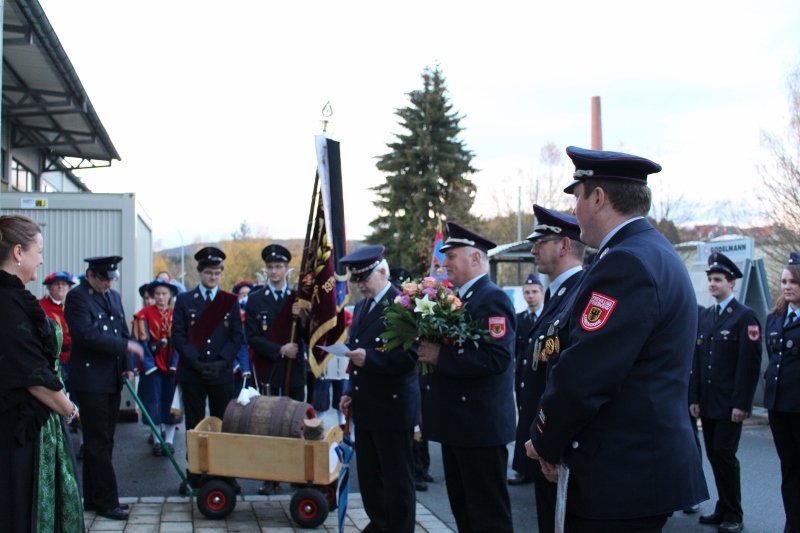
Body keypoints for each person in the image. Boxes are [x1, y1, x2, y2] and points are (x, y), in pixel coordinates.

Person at [526, 146, 708, 532]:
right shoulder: (655, 251)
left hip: (621, 473)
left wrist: (544, 439)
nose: (574, 211)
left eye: (577, 197)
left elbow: (585, 374)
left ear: (597, 197)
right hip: (637, 469)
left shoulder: (625, 262)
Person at [417, 222, 516, 533]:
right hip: (459, 424)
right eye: (445, 257)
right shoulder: (461, 298)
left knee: (487, 515)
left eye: (452, 256)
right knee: (464, 510)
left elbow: (497, 358)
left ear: (476, 259)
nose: (445, 263)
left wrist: (440, 356)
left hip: (479, 427)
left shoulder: (491, 298)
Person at [0, 214, 83, 532]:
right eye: (39, 250)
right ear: (18, 253)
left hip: (30, 423)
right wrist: (70, 410)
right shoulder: (7, 304)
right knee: (20, 511)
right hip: (19, 427)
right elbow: (33, 375)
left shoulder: (15, 298)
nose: (42, 259)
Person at [511, 205, 585, 531]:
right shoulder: (558, 295)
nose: (533, 249)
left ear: (565, 246)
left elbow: (574, 380)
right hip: (542, 444)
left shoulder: (581, 294)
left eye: (541, 241)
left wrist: (552, 446)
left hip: (558, 448)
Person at [339, 246, 420, 533]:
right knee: (371, 478)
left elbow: (411, 357)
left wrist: (369, 358)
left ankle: (399, 528)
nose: (360, 285)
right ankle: (380, 524)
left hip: (393, 407)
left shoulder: (403, 304)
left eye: (365, 278)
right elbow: (355, 355)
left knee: (397, 480)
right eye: (356, 280)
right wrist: (349, 391)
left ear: (383, 272)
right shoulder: (362, 305)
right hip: (366, 404)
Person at [64, 254, 144, 521]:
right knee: (98, 442)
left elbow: (123, 332)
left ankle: (93, 498)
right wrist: (123, 348)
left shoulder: (113, 296)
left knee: (104, 440)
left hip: (111, 378)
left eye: (112, 279)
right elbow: (86, 335)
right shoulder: (78, 297)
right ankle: (108, 502)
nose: (109, 284)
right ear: (91, 276)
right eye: (104, 279)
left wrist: (127, 364)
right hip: (91, 380)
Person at [690, 252, 762, 533]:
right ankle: (722, 507)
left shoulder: (745, 317)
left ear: (731, 283)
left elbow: (749, 365)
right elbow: (697, 361)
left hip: (730, 403)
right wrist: (694, 398)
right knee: (714, 455)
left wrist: (742, 404)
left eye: (718, 279)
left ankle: (734, 512)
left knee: (725, 455)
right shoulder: (706, 316)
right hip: (707, 402)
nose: (712, 284)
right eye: (709, 279)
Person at [172, 246, 242, 493]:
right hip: (193, 372)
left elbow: (236, 336)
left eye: (217, 273)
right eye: (209, 272)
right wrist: (196, 362)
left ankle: (225, 474)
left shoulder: (229, 302)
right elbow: (178, 336)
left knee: (223, 423)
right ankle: (195, 473)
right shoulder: (184, 300)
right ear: (200, 272)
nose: (213, 277)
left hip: (221, 372)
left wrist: (223, 362)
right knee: (195, 424)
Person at [246, 245, 308, 495]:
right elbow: (252, 337)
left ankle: (296, 472)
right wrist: (281, 349)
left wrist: (303, 317)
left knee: (295, 421)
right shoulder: (255, 299)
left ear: (286, 269)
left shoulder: (298, 299)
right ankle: (271, 476)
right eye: (270, 267)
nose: (274, 271)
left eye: (279, 267)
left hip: (295, 371)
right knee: (270, 422)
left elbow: (309, 335)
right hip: (269, 368)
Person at [764, 253, 800, 533]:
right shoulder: (775, 317)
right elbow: (773, 358)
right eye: (784, 282)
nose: (787, 287)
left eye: (794, 282)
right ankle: (793, 522)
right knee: (788, 469)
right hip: (778, 404)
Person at [133, 279, 180, 456]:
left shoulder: (177, 314)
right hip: (153, 365)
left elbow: (181, 341)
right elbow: (140, 342)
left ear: (170, 296)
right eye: (157, 294)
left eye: (164, 294)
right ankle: (156, 440)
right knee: (154, 403)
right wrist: (149, 365)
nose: (160, 297)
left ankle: (169, 440)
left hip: (172, 366)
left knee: (170, 402)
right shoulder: (143, 314)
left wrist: (176, 363)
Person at [39, 271, 82, 455]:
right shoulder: (40, 307)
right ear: (49, 287)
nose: (61, 287)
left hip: (76, 361)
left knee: (80, 400)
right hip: (54, 362)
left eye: (64, 284)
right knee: (57, 400)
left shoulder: (76, 305)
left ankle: (82, 442)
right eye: (56, 284)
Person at [509, 272, 544, 486]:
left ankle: (539, 465)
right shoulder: (519, 318)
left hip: (540, 379)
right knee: (524, 421)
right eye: (527, 293)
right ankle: (524, 468)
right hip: (522, 379)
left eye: (534, 292)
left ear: (542, 293)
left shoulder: (546, 317)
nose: (530, 296)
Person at [232, 281, 254, 398]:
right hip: (238, 362)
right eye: (242, 293)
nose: (245, 296)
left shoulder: (254, 314)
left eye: (248, 293)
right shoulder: (235, 315)